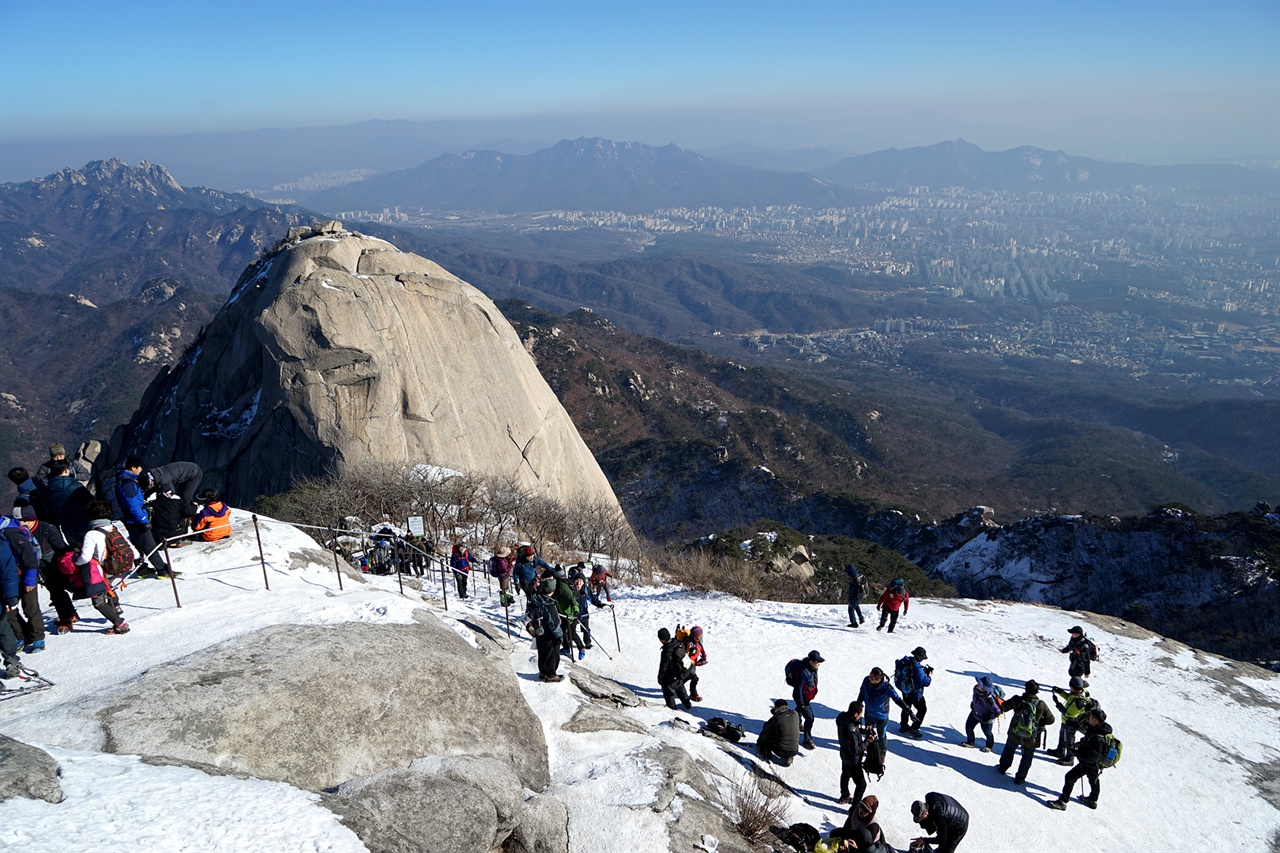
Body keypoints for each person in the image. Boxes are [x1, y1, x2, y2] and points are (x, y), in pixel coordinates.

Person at [17, 504, 78, 636]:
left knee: (66, 590)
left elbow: (61, 548)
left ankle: (67, 619)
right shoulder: (20, 531)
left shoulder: (47, 529)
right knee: (57, 593)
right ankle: (68, 616)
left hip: (55, 566)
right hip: (41, 570)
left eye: (19, 520)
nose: (18, 523)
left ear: (28, 519)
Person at [71, 501, 130, 634]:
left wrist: (76, 562)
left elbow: (85, 557)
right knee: (109, 588)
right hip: (117, 568)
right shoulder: (114, 528)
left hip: (101, 572)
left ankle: (120, 624)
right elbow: (132, 550)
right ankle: (116, 606)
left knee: (98, 601)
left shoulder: (91, 534)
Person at [115, 457, 173, 578]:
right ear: (133, 468)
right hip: (136, 520)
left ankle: (141, 568)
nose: (141, 470)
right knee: (149, 545)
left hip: (130, 519)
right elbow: (133, 505)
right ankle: (163, 570)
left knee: (137, 543)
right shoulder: (128, 483)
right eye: (139, 467)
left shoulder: (124, 480)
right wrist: (143, 520)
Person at [1047, 707, 1112, 811]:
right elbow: (1088, 738)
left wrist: (1076, 753)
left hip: (1090, 763)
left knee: (1070, 777)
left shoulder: (1098, 738)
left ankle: (1063, 801)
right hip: (1094, 763)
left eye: (1091, 717)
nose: (1089, 718)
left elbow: (1092, 757)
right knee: (1093, 779)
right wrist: (1081, 743)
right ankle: (1093, 800)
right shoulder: (1097, 728)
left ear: (1096, 720)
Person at [995, 680, 1056, 784]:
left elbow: (1004, 707)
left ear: (1025, 689)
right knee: (1027, 757)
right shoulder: (1041, 704)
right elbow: (1051, 720)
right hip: (1031, 737)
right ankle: (1020, 778)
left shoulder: (1017, 700)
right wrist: (1037, 722)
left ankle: (1003, 767)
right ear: (1037, 692)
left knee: (1009, 750)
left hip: (1015, 733)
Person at [1, 514, 40, 656]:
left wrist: (30, 579)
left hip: (24, 575)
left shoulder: (9, 532)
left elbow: (29, 556)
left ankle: (38, 638)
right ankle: (23, 636)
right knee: (9, 610)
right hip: (9, 579)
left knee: (30, 608)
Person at [858, 666, 906, 763]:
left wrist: (908, 710)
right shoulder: (866, 681)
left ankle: (882, 753)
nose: (869, 678)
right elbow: (862, 693)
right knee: (868, 733)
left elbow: (897, 699)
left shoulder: (887, 687)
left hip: (881, 717)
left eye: (872, 678)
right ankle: (868, 748)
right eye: (869, 676)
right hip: (869, 714)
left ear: (878, 680)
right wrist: (858, 706)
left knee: (882, 736)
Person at [40, 460, 94, 544]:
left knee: (77, 551)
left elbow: (47, 508)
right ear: (66, 470)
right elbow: (91, 501)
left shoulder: (48, 489)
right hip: (83, 522)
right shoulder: (75, 486)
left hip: (66, 526)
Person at [836, 700, 873, 806]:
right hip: (853, 760)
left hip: (844, 753)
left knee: (845, 774)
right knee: (861, 785)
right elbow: (856, 750)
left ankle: (844, 795)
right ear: (855, 714)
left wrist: (862, 731)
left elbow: (852, 729)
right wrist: (868, 741)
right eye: (860, 714)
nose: (861, 716)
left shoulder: (842, 718)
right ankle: (854, 808)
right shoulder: (851, 729)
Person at [1049, 677, 1092, 764]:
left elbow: (1068, 714)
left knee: (1069, 740)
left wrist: (1057, 703)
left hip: (1072, 722)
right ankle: (1060, 751)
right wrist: (1060, 692)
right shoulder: (1079, 692)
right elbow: (1070, 698)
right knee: (1062, 735)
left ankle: (1070, 758)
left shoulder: (1079, 702)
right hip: (1066, 721)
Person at [528, 576, 563, 682]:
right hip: (549, 635)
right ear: (553, 590)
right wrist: (560, 635)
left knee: (542, 653)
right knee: (552, 655)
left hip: (539, 632)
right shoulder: (549, 604)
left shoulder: (536, 600)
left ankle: (542, 672)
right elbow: (554, 623)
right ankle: (551, 674)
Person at [896, 646, 933, 738]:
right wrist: (929, 675)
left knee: (906, 707)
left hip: (905, 690)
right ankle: (914, 727)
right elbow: (925, 682)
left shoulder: (906, 661)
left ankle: (903, 725)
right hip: (915, 694)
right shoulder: (917, 668)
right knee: (922, 709)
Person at [960, 676, 1003, 752]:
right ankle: (971, 742)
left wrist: (989, 717)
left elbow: (997, 712)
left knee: (988, 733)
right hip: (975, 713)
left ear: (984, 689)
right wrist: (974, 704)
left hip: (985, 719)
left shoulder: (990, 699)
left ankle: (989, 746)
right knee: (969, 727)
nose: (977, 685)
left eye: (980, 684)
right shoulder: (976, 690)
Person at [793, 649, 824, 750]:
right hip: (802, 697)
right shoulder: (804, 672)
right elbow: (798, 688)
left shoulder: (812, 668)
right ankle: (807, 739)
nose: (819, 664)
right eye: (817, 662)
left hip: (806, 696)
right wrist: (801, 702)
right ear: (811, 662)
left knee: (799, 711)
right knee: (810, 718)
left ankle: (796, 724)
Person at [757, 698, 801, 766]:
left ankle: (767, 753)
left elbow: (765, 730)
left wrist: (759, 743)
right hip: (794, 750)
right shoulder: (795, 714)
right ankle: (789, 757)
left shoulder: (777, 717)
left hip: (780, 750)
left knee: (770, 734)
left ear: (777, 707)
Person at [657, 627, 692, 710]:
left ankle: (672, 709)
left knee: (668, 692)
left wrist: (660, 679)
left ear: (661, 640)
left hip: (672, 675)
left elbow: (663, 667)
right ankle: (688, 704)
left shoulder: (667, 651)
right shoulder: (678, 643)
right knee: (680, 686)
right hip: (682, 671)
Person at [682, 625, 707, 702]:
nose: (699, 638)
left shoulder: (698, 641)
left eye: (700, 636)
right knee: (694, 678)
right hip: (687, 665)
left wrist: (704, 657)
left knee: (687, 678)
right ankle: (693, 694)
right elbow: (685, 657)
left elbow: (701, 648)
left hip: (693, 665)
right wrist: (697, 663)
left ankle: (676, 685)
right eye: (697, 637)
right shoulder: (688, 644)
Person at [571, 575, 594, 654]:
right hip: (574, 614)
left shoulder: (586, 590)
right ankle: (567, 644)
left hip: (584, 613)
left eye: (581, 581)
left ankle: (587, 643)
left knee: (586, 629)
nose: (579, 583)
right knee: (570, 630)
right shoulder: (571, 590)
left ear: (583, 582)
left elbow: (593, 599)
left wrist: (601, 605)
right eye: (577, 580)